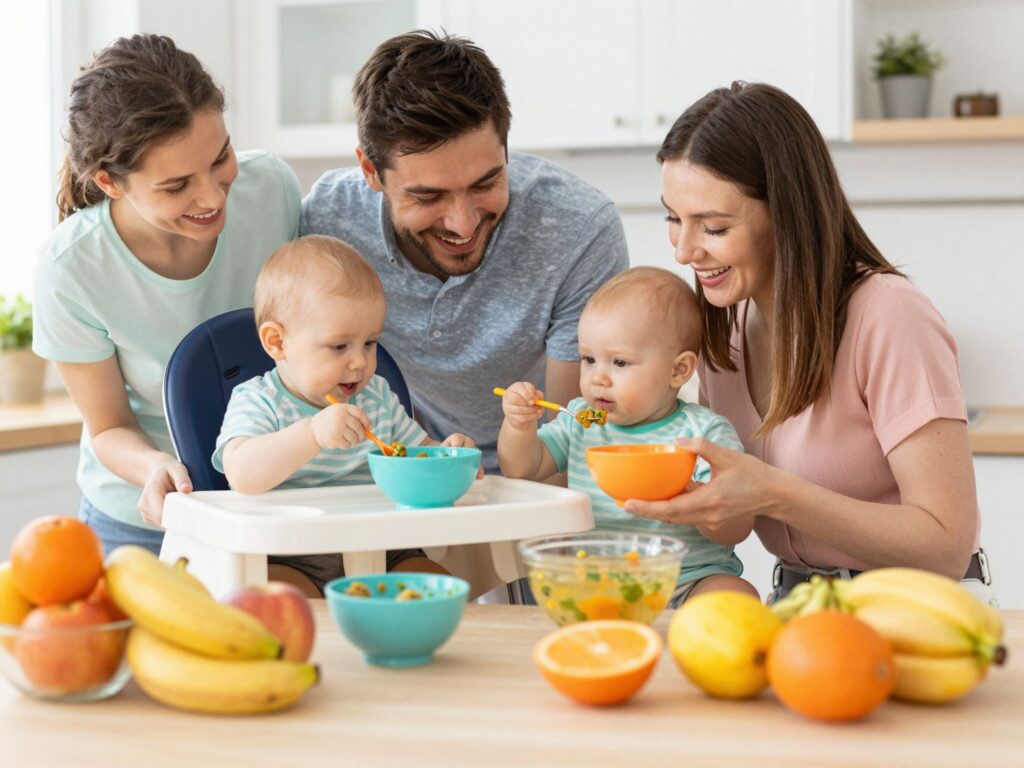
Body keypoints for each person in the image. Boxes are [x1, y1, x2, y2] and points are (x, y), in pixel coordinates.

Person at [626, 82, 991, 604]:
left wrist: (774, 493)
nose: (684, 251)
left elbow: (946, 547)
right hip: (798, 604)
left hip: (916, 608)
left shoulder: (889, 314)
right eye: (673, 218)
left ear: (786, 212)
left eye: (714, 228)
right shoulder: (723, 326)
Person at [301, 30, 629, 474]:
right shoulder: (329, 220)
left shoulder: (580, 229)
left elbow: (570, 441)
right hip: (406, 473)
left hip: (534, 475)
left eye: (485, 183)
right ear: (371, 171)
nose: (463, 223)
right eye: (428, 196)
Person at [32, 35, 301, 554]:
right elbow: (109, 427)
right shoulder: (72, 268)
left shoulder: (272, 190)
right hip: (145, 517)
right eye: (176, 186)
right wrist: (156, 467)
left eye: (221, 158)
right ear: (110, 182)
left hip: (270, 499)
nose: (212, 196)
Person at [212, 235, 472, 594]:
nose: (360, 362)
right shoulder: (260, 400)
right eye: (339, 346)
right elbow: (242, 473)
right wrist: (312, 435)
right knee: (284, 599)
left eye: (370, 342)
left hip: (384, 547)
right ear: (277, 342)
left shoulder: (376, 397)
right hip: (289, 553)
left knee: (441, 589)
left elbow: (418, 452)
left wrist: (449, 456)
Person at [497, 267, 756, 603]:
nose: (598, 378)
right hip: (602, 585)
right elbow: (522, 467)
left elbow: (737, 528)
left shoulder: (705, 434)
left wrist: (697, 501)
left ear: (678, 370)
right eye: (589, 359)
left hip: (690, 580)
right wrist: (519, 426)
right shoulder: (581, 422)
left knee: (736, 595)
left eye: (619, 363)